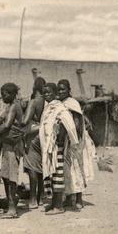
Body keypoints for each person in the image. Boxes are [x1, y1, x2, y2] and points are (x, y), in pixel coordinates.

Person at [40, 83, 78, 215]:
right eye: (44, 92)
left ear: (55, 93)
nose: (46, 95)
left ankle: (59, 206)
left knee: (57, 176)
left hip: (57, 147)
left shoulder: (59, 107)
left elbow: (68, 123)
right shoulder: (49, 107)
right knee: (51, 175)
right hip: (49, 148)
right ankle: (53, 203)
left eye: (49, 92)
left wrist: (60, 138)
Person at [0, 83, 24, 219]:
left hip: (13, 146)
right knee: (5, 175)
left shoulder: (15, 106)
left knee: (11, 177)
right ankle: (11, 203)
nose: (3, 96)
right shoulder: (9, 107)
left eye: (6, 94)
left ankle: (12, 209)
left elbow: (7, 125)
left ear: (13, 94)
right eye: (2, 94)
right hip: (7, 145)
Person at [57, 79, 88, 210]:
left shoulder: (73, 103)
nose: (60, 91)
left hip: (73, 141)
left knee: (76, 168)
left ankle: (79, 198)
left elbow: (77, 123)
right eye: (58, 89)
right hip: (63, 140)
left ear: (69, 90)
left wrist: (73, 139)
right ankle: (69, 198)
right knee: (66, 170)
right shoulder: (60, 103)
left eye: (63, 89)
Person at [21, 77, 46, 209]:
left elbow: (25, 121)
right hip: (44, 135)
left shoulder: (34, 102)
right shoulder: (47, 101)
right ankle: (41, 197)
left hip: (33, 135)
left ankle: (32, 199)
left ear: (34, 88)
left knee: (31, 167)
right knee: (40, 167)